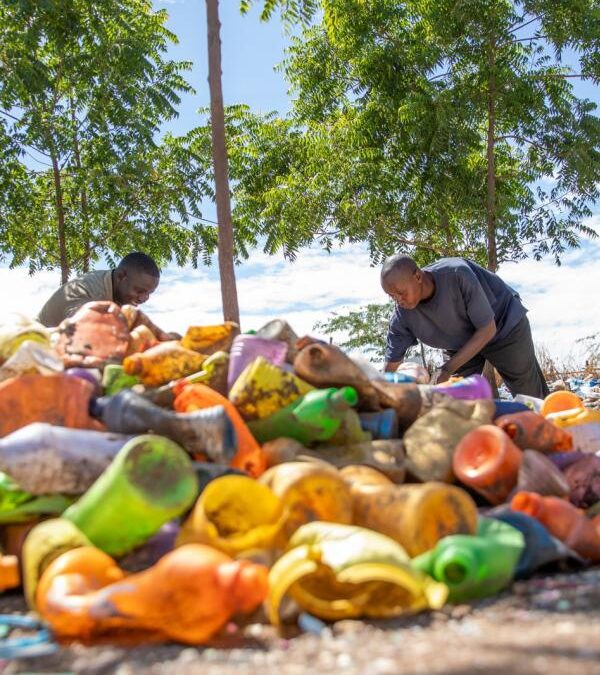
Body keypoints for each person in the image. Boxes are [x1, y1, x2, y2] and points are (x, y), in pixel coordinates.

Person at [381, 254, 550, 398]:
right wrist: (379, 391)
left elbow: (487, 329)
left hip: (503, 328)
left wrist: (447, 369)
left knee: (529, 394)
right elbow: (390, 367)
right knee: (456, 398)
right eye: (392, 296)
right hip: (460, 346)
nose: (399, 300)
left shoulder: (457, 273)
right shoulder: (401, 316)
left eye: (401, 293)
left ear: (418, 276)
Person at [37, 252, 178, 340]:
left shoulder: (119, 294)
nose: (143, 298)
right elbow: (85, 333)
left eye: (149, 293)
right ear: (121, 276)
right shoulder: (87, 290)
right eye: (139, 290)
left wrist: (163, 338)